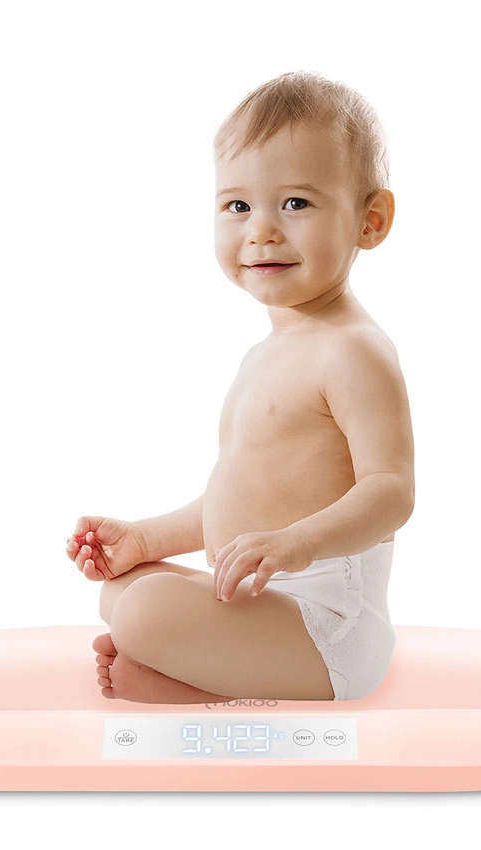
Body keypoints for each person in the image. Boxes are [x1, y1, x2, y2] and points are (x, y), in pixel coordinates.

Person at [66, 71, 414, 703]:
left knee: (143, 612)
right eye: (238, 206)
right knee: (123, 589)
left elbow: (391, 492)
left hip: (327, 625)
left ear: (370, 220)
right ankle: (193, 666)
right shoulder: (267, 352)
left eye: (296, 203)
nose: (261, 231)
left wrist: (299, 543)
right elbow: (244, 500)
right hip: (265, 598)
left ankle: (199, 690)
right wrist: (144, 539)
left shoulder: (352, 350)